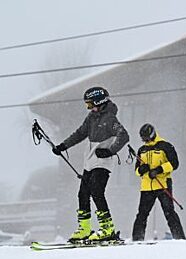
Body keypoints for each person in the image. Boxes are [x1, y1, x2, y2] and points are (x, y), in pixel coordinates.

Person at [52, 86, 129, 242]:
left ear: (99, 102)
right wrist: (63, 146)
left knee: (96, 191)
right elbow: (80, 133)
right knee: (83, 194)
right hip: (89, 161)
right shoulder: (91, 118)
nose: (89, 108)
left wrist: (110, 151)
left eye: (90, 104)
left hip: (102, 161)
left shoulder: (110, 119)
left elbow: (124, 135)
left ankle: (108, 228)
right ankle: (85, 229)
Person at [131, 123, 186, 241]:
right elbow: (136, 170)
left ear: (152, 134)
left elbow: (174, 163)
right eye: (143, 139)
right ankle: (137, 239)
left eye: (146, 138)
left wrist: (158, 170)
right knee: (142, 215)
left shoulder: (165, 146)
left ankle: (180, 238)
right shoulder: (142, 150)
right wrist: (141, 169)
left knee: (169, 213)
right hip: (146, 188)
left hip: (163, 185)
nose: (144, 141)